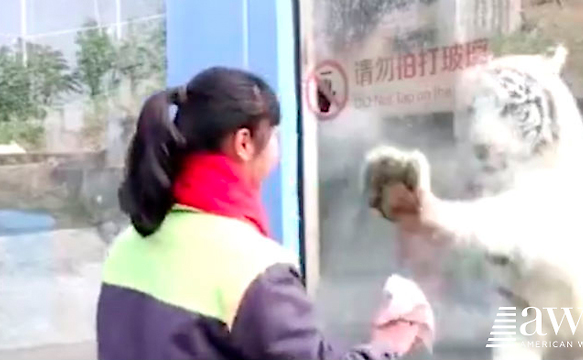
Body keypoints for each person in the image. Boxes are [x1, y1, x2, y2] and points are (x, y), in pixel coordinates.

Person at [96, 67, 421, 360]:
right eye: (275, 134)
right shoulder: (254, 271)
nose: (278, 146)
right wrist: (387, 347)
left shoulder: (128, 244)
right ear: (244, 142)